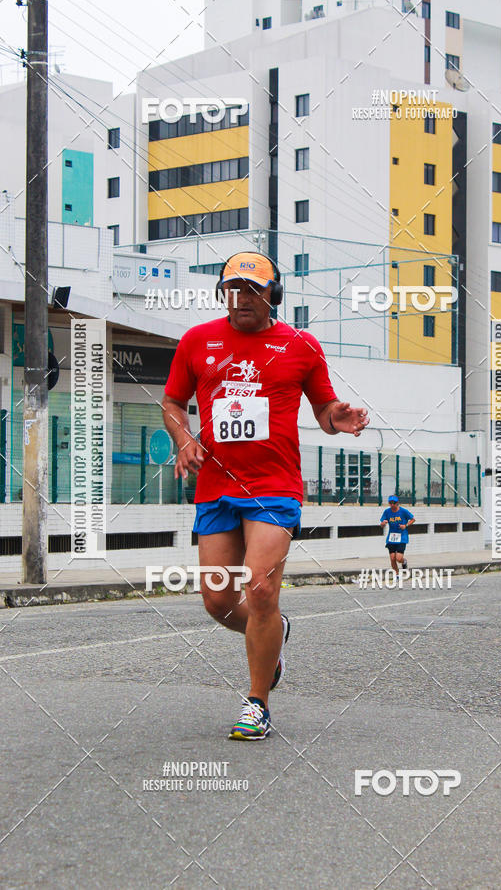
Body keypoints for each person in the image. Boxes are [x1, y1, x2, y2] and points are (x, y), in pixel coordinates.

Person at [162, 251, 369, 740]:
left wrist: (337, 418)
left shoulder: (301, 345)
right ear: (222, 294)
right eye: (234, 288)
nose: (243, 298)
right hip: (215, 486)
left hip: (274, 487)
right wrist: (184, 438)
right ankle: (274, 636)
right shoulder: (196, 341)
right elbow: (172, 401)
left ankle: (257, 702)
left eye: (254, 289)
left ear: (273, 294)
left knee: (260, 589)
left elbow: (324, 408)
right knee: (217, 601)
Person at [380, 495, 415, 575]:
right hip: (392, 538)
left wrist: (405, 525)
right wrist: (383, 524)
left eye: (394, 503)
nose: (392, 505)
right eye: (390, 503)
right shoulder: (387, 512)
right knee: (392, 558)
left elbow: (413, 519)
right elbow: (381, 524)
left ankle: (404, 561)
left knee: (398, 558)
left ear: (397, 503)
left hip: (402, 537)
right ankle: (397, 575)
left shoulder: (403, 511)